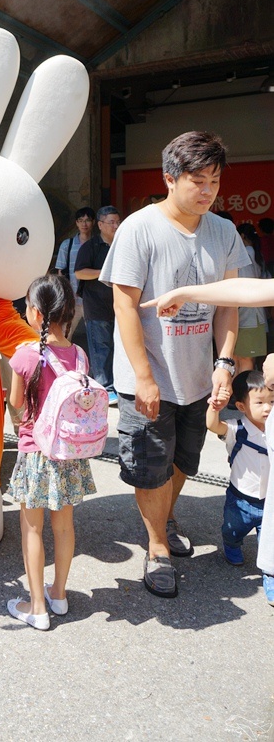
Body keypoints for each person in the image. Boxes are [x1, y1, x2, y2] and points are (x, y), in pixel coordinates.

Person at [99, 131, 249, 598]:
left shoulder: (223, 230)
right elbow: (124, 306)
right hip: (148, 377)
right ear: (169, 178)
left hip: (196, 375)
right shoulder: (139, 228)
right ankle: (158, 546)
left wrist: (224, 362)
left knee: (183, 458)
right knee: (150, 465)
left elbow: (230, 303)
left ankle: (164, 516)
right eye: (197, 180)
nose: (207, 191)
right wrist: (142, 376)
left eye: (215, 181)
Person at [142, 281, 274, 606]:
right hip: (241, 498)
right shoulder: (240, 426)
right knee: (235, 530)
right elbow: (243, 291)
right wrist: (187, 294)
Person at [6, 274, 96, 630]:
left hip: (36, 453)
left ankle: (37, 607)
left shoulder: (26, 356)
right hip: (70, 456)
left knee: (31, 529)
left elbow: (16, 404)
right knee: (64, 527)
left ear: (37, 313)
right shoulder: (80, 355)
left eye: (28, 305)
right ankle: (58, 593)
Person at [205, 370, 271, 577]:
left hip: (270, 501)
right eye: (259, 403)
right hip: (240, 499)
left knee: (270, 544)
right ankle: (232, 545)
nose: (268, 408)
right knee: (232, 530)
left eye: (272, 401)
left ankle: (269, 574)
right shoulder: (237, 429)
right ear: (242, 406)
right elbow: (212, 425)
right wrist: (215, 407)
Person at [74, 206, 121, 406]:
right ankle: (105, 387)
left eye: (118, 222)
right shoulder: (90, 247)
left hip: (121, 307)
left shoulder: (123, 245)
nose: (116, 226)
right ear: (100, 225)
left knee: (120, 348)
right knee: (101, 348)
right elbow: (79, 273)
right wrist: (105, 272)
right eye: (111, 222)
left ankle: (118, 385)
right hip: (97, 306)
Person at [55, 206, 95, 337]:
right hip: (72, 298)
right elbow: (61, 272)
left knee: (97, 337)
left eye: (88, 220)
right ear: (76, 223)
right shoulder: (68, 245)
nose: (84, 224)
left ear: (93, 222)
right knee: (65, 334)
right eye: (81, 220)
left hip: (93, 299)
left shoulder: (98, 244)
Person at [234, 223, 268, 373]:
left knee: (243, 358)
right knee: (243, 358)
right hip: (253, 316)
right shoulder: (255, 253)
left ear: (241, 236)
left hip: (247, 317)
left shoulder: (246, 254)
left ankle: (244, 393)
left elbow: (245, 286)